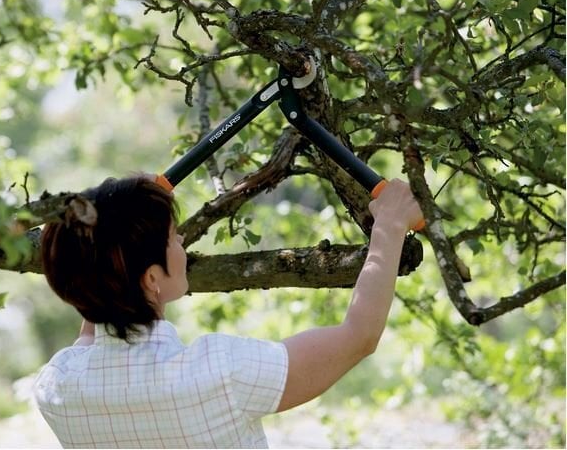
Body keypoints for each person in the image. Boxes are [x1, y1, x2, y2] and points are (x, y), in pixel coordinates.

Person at [33, 174, 423, 448]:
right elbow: (358, 337)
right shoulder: (218, 373)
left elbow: (90, 319)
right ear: (152, 278)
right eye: (172, 236)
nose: (182, 239)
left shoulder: (58, 386)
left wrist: (119, 218)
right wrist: (388, 225)